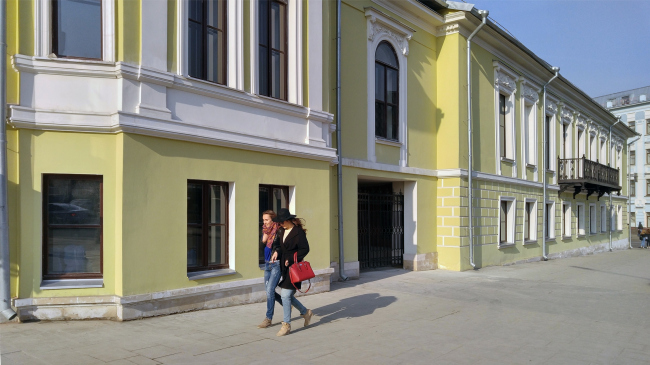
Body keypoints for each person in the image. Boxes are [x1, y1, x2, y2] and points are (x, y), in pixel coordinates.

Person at [270, 208, 313, 336]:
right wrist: (277, 251)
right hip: (284, 267)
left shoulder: (298, 232)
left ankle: (286, 325)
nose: (280, 224)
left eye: (281, 222)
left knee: (284, 295)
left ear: (288, 220)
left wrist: (291, 258)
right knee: (287, 295)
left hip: (294, 268)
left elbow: (305, 249)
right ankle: (306, 312)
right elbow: (278, 244)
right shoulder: (282, 230)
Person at [257, 210, 283, 328]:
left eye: (267, 220)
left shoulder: (279, 230)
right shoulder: (267, 229)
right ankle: (289, 303)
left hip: (276, 264)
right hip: (267, 264)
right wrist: (266, 229)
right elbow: (263, 240)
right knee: (269, 291)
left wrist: (277, 251)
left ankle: (268, 318)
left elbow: (281, 245)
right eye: (263, 220)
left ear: (273, 219)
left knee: (269, 291)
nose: (264, 222)